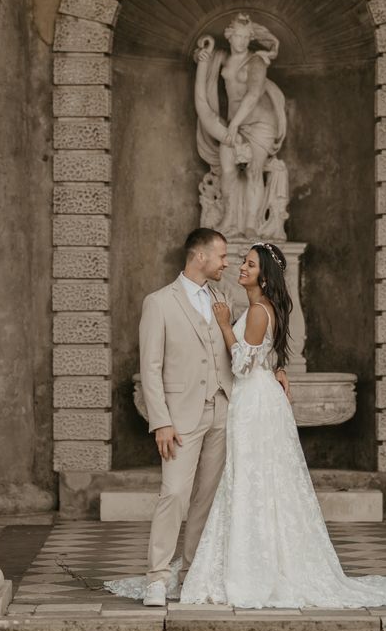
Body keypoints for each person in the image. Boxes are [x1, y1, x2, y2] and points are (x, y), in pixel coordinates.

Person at [178, 242, 386, 608]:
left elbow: (242, 363)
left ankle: (252, 570)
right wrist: (277, 367)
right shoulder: (263, 308)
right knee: (255, 480)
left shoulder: (258, 311)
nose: (241, 267)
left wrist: (226, 326)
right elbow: (264, 356)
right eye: (242, 262)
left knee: (250, 479)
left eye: (250, 264)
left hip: (254, 401)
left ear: (264, 275)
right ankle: (253, 562)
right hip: (258, 397)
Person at [112, 228, 289, 607]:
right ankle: (157, 578)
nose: (228, 263)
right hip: (181, 417)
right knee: (173, 493)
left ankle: (191, 574)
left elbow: (246, 350)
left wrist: (274, 368)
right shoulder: (159, 303)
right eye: (222, 256)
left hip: (226, 411)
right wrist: (160, 420)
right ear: (200, 257)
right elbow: (151, 366)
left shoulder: (221, 298)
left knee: (206, 500)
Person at [194, 13, 288, 239]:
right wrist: (201, 54)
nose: (242, 41)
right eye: (238, 36)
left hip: (260, 124)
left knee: (255, 170)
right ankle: (229, 220)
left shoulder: (256, 61)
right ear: (230, 36)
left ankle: (250, 225)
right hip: (236, 125)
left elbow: (254, 94)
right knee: (227, 168)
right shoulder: (224, 59)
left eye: (247, 37)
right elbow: (205, 57)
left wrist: (233, 125)